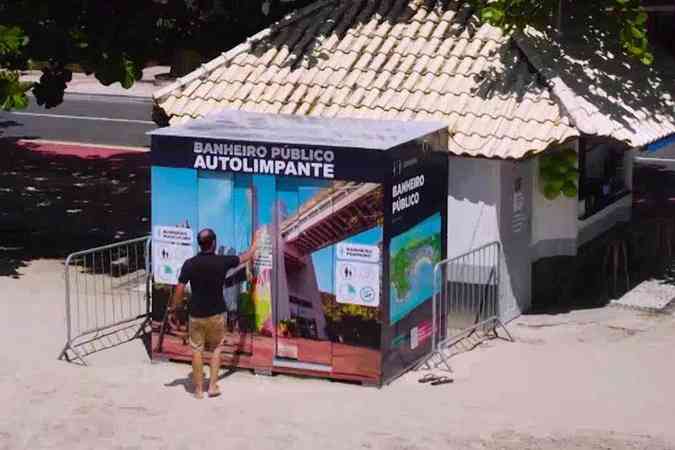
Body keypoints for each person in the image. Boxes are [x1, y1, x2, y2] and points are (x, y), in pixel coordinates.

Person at [169, 228, 252, 399]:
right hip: (217, 313)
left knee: (197, 350)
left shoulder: (190, 263)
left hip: (196, 314)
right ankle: (213, 386)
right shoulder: (222, 261)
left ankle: (199, 390)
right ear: (214, 243)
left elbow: (179, 288)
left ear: (200, 244)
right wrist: (257, 241)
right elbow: (247, 256)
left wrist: (175, 309)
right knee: (216, 349)